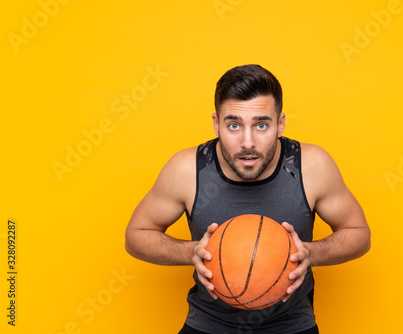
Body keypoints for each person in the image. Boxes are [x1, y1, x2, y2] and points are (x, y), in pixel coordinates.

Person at [125, 64, 371, 333]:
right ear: (216, 124)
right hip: (209, 324)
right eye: (234, 125)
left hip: (291, 325)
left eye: (261, 125)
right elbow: (136, 236)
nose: (248, 142)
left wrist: (311, 253)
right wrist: (191, 251)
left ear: (280, 124)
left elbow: (359, 234)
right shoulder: (187, 170)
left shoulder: (311, 166)